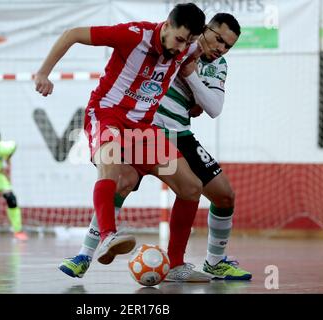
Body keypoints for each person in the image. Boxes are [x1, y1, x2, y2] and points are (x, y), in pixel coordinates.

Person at [59, 13, 251, 281]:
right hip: (147, 130)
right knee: (121, 181)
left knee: (223, 195)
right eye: (218, 39)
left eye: (228, 46)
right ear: (203, 31)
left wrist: (193, 80)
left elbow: (212, 108)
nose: (221, 48)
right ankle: (85, 255)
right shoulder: (172, 44)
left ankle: (212, 262)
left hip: (180, 135)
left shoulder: (216, 64)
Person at [35, 3, 206, 265]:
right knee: (112, 168)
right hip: (107, 115)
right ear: (167, 25)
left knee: (191, 188)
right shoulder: (133, 35)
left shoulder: (190, 48)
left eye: (189, 42)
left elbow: (202, 50)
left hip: (143, 130)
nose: (182, 48)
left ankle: (175, 264)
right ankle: (106, 236)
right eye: (180, 39)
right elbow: (72, 34)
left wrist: (197, 100)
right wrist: (44, 73)